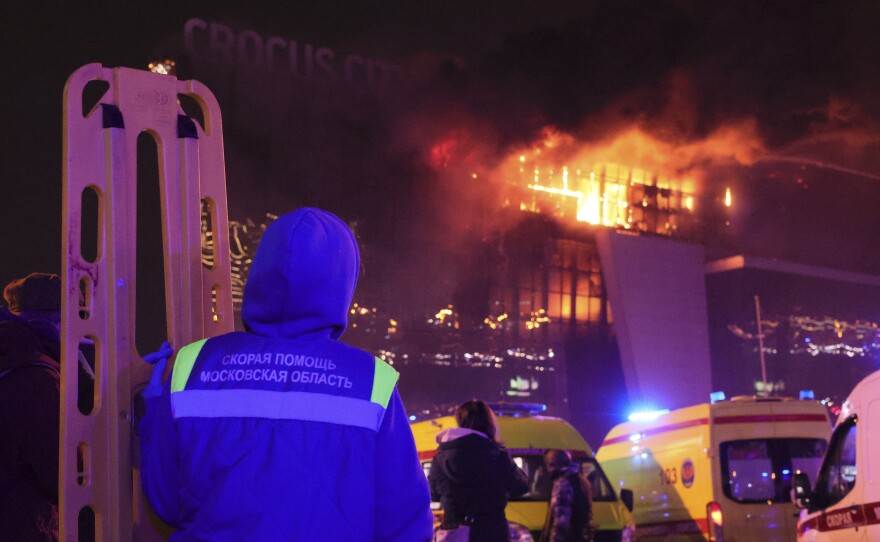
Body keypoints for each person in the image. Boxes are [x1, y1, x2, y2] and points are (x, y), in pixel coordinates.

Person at [138, 207, 434, 541]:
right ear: (341, 285)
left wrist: (150, 412)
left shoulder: (194, 365)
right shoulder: (371, 382)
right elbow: (405, 525)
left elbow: (164, 500)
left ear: (260, 273)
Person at [0, 273, 63, 541]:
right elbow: (59, 475)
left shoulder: (11, 359)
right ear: (54, 319)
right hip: (20, 526)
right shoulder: (37, 376)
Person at [428, 399, 529, 541]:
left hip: (454, 533)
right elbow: (521, 486)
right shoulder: (498, 456)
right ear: (489, 423)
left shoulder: (440, 458)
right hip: (490, 532)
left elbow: (433, 494)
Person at [539, 449, 593, 542]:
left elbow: (561, 521)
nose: (547, 470)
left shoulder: (563, 483)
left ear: (553, 464)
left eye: (548, 465)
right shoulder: (581, 480)